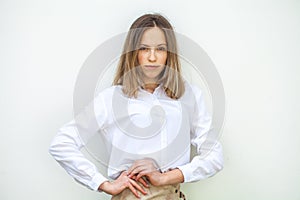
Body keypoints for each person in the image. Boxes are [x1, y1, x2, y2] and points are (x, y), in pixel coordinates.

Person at [49, 13, 223, 199]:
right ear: (133, 53)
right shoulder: (111, 99)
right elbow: (61, 143)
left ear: (169, 54)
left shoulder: (189, 96)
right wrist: (102, 183)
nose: (152, 57)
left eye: (161, 49)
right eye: (144, 48)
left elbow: (214, 156)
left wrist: (164, 177)